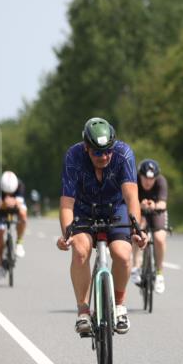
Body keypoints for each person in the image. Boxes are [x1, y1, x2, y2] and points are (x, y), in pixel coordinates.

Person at [55, 117, 146, 336]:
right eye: (97, 152)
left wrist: (137, 229)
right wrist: (66, 234)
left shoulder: (124, 154)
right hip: (84, 210)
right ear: (86, 148)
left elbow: (131, 196)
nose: (104, 157)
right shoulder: (74, 156)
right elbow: (67, 203)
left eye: (107, 151)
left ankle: (119, 306)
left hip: (116, 208)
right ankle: (83, 311)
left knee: (122, 254)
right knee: (80, 251)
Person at [131, 159, 169, 294]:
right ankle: (136, 266)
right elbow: (128, 200)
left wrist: (154, 205)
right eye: (145, 178)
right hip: (139, 210)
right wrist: (139, 205)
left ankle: (159, 273)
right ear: (140, 176)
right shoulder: (134, 181)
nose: (148, 182)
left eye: (151, 179)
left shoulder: (161, 181)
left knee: (159, 238)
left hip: (157, 211)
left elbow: (163, 204)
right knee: (138, 232)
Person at [0, 171, 29, 278]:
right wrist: (7, 202)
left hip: (14, 205)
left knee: (23, 214)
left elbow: (19, 204)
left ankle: (19, 242)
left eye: (10, 193)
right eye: (6, 192)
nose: (8, 194)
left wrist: (12, 202)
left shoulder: (20, 185)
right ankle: (0, 263)